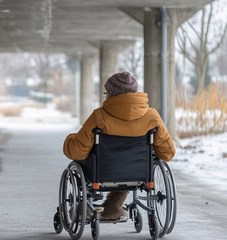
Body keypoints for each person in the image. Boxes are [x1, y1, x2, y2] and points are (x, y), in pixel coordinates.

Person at [63, 71, 176, 221]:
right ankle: (113, 206)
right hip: (139, 172)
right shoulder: (152, 116)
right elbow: (168, 154)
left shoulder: (99, 116)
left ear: (111, 94)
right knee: (126, 169)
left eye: (106, 93)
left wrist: (70, 139)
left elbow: (77, 152)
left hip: (102, 172)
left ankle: (86, 206)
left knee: (84, 159)